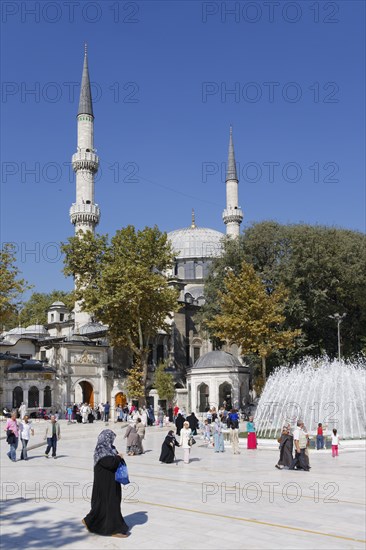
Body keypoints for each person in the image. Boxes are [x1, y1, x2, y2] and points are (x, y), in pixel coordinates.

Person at [82, 430, 129, 538]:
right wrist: (118, 457)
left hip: (112, 483)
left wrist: (118, 457)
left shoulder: (110, 448)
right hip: (104, 485)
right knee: (109, 505)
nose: (112, 441)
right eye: (111, 438)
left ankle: (89, 521)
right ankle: (114, 529)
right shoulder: (101, 449)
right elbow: (110, 464)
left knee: (106, 505)